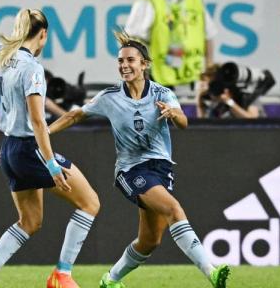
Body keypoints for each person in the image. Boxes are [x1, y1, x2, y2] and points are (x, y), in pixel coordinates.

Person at [48, 33, 230, 288]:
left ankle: (110, 280)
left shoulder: (162, 93)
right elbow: (74, 115)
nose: (124, 65)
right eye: (120, 61)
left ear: (144, 64)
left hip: (161, 169)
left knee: (149, 241)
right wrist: (43, 134)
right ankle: (211, 271)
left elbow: (184, 122)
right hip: (130, 170)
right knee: (173, 209)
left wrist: (173, 114)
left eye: (130, 60)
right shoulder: (109, 97)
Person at [0, 9, 100, 288]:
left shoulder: (1, 64)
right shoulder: (32, 68)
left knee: (30, 221)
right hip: (30, 149)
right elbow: (38, 120)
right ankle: (62, 275)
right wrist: (51, 164)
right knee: (90, 203)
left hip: (9, 150)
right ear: (42, 35)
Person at [125, 0, 216, 88]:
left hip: (194, 76)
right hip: (161, 79)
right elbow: (132, 39)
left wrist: (209, 70)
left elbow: (209, 35)